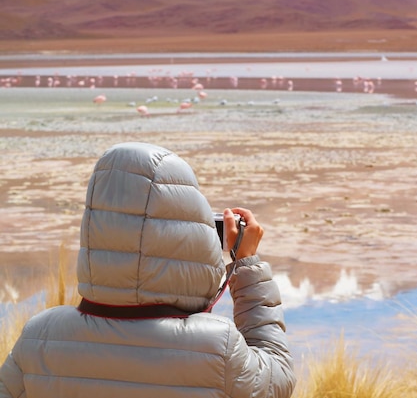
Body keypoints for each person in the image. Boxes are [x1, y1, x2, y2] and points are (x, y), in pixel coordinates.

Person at [0, 142, 296, 398]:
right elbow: (277, 377)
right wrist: (247, 265)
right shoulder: (218, 347)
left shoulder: (40, 336)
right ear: (192, 235)